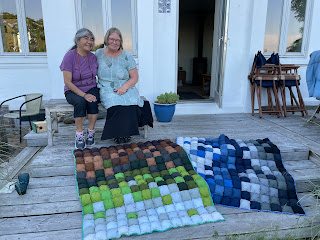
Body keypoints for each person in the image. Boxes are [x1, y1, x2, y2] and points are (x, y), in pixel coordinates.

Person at [96, 27, 144, 144]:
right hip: (107, 87)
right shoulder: (98, 54)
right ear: (107, 39)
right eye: (112, 39)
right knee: (115, 103)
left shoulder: (127, 56)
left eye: (117, 40)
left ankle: (127, 133)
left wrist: (124, 87)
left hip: (126, 85)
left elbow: (134, 77)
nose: (114, 42)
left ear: (121, 42)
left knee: (131, 102)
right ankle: (117, 133)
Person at [60, 28, 99, 149]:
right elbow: (67, 81)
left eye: (91, 39)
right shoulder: (69, 56)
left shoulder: (93, 57)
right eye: (86, 38)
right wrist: (83, 95)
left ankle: (91, 133)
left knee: (93, 101)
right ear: (77, 40)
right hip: (73, 89)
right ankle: (79, 134)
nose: (89, 41)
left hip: (91, 86)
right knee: (81, 102)